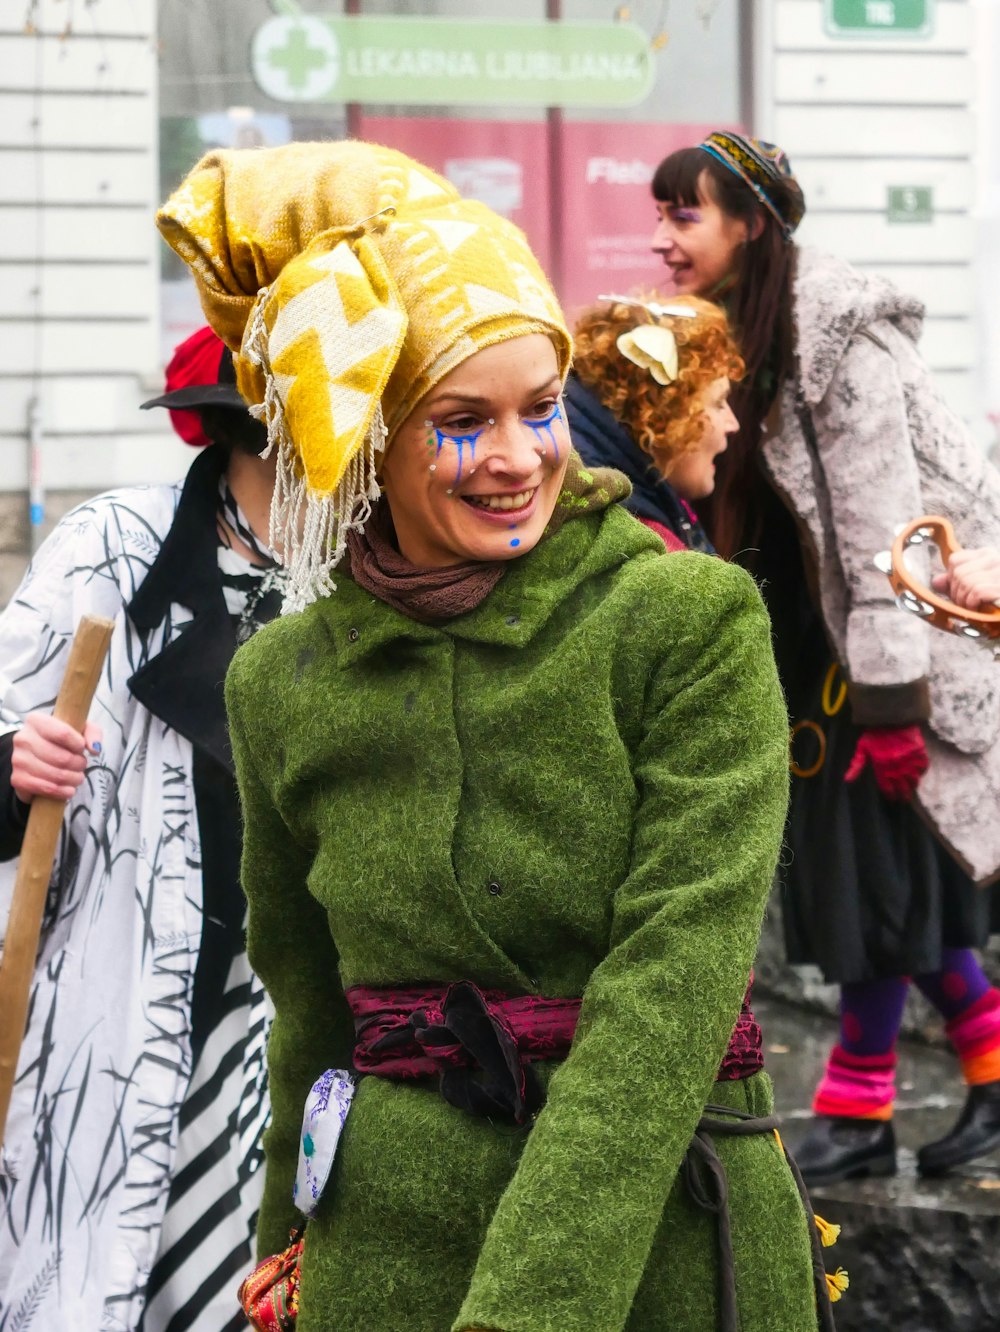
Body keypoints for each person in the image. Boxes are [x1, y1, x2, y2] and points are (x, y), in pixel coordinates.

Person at [156, 138, 842, 1331]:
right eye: (462, 420)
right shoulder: (283, 680)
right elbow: (306, 1014)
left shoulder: (682, 618)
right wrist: (282, 1263)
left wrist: (534, 1305)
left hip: (664, 1246)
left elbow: (671, 985)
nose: (518, 458)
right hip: (382, 1254)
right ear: (364, 433)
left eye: (542, 408)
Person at [650, 130, 1000, 1183]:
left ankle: (859, 1107)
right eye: (659, 215)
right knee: (882, 892)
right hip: (811, 653)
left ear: (750, 223)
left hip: (888, 650)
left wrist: (891, 706)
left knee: (876, 891)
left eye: (684, 215)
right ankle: (938, 1095)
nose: (662, 238)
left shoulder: (833, 340)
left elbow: (880, 533)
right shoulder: (729, 335)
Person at [0, 328, 281, 1330]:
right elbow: (6, 737)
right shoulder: (115, 545)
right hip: (115, 1017)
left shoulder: (368, 578)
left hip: (287, 1033)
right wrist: (13, 762)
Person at [567, 293, 741, 552]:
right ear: (662, 414)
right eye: (718, 402)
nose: (733, 424)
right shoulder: (641, 540)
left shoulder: (637, 496)